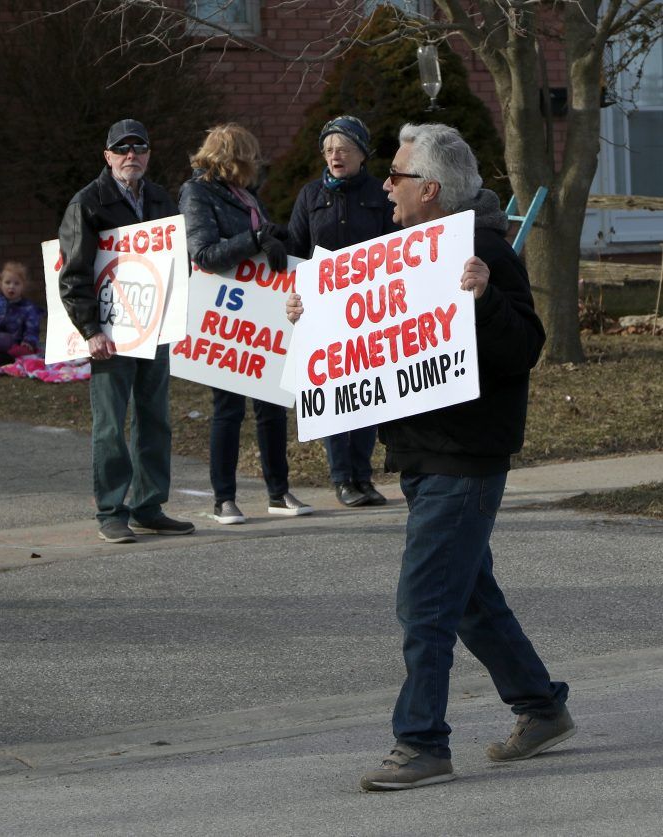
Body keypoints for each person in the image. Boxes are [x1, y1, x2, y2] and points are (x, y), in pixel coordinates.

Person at [287, 123, 572, 792]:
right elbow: (373, 329)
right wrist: (311, 312)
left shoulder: (483, 252)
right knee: (470, 599)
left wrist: (483, 298)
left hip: (465, 457)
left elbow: (524, 347)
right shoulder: (402, 250)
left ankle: (421, 741)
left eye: (397, 175)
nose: (385, 183)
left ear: (431, 189)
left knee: (424, 604)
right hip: (421, 452)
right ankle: (541, 707)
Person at [58, 118, 194, 544]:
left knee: (156, 419)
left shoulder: (160, 199)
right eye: (122, 149)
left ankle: (149, 506)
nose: (130, 156)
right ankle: (111, 511)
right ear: (107, 156)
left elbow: (176, 261)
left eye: (139, 148)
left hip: (153, 328)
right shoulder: (88, 203)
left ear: (149, 155)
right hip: (110, 334)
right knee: (110, 424)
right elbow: (73, 274)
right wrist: (90, 330)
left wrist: (175, 311)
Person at [178, 123, 312, 525]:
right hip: (225, 315)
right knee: (228, 408)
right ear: (231, 158)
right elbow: (203, 253)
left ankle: (278, 490)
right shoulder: (197, 192)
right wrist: (255, 240)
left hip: (261, 311)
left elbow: (259, 239)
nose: (256, 165)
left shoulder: (245, 194)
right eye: (249, 157)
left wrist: (275, 238)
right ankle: (224, 498)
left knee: (272, 404)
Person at [287, 115, 397, 509]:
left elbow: (396, 245)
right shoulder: (310, 196)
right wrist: (294, 296)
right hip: (324, 315)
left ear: (362, 155)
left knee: (368, 394)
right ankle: (341, 478)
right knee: (335, 393)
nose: (336, 156)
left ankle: (363, 476)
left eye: (344, 149)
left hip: (370, 312)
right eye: (330, 150)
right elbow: (296, 252)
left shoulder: (380, 194)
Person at [0, 261, 43, 368]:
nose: (11, 286)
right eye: (7, 282)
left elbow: (32, 328)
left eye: (16, 283)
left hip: (14, 344)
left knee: (23, 353)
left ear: (23, 286)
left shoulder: (28, 308)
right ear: (1, 284)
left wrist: (28, 341)